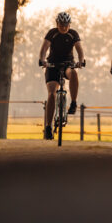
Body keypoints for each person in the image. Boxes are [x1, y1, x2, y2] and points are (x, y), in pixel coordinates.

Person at [39, 11, 85, 140]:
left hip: (67, 64)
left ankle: (74, 103)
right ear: (57, 24)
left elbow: (79, 49)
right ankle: (48, 127)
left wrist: (81, 61)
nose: (63, 27)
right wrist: (43, 60)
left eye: (66, 25)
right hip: (52, 65)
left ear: (69, 25)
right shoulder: (52, 33)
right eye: (61, 25)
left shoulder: (73, 34)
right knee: (52, 93)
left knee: (74, 73)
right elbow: (43, 49)